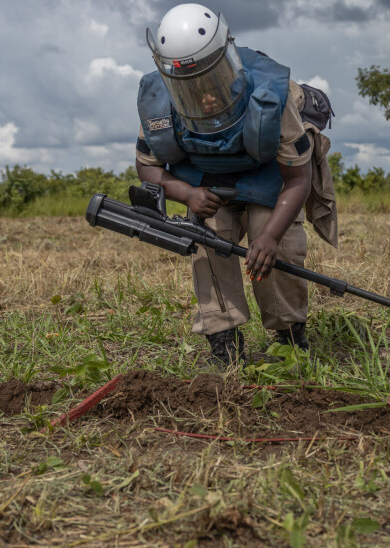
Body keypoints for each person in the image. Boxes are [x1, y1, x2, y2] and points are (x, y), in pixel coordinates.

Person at [134, 3, 327, 366]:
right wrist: (186, 194)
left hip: (271, 179)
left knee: (274, 243)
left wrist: (269, 237)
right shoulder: (158, 101)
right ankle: (224, 342)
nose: (205, 96)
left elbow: (298, 178)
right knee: (208, 239)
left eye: (211, 82)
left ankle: (289, 337)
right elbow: (147, 168)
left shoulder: (272, 93)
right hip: (205, 185)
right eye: (190, 87)